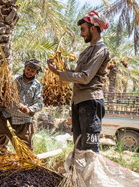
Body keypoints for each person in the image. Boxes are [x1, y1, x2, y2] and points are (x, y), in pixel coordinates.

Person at [47, 10, 110, 153]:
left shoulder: (101, 50)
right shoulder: (88, 50)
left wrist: (58, 73)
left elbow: (84, 77)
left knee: (89, 148)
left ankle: (91, 175)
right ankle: (81, 175)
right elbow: (77, 73)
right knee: (79, 145)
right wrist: (61, 66)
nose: (81, 33)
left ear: (93, 28)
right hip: (79, 101)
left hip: (90, 102)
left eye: (83, 29)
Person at [0, 59, 43, 154]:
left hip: (23, 121)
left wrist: (29, 109)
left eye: (32, 71)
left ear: (36, 72)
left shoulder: (37, 86)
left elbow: (40, 104)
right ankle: (2, 158)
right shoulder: (14, 79)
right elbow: (3, 91)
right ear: (24, 68)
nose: (29, 72)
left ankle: (26, 164)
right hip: (7, 116)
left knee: (26, 150)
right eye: (28, 69)